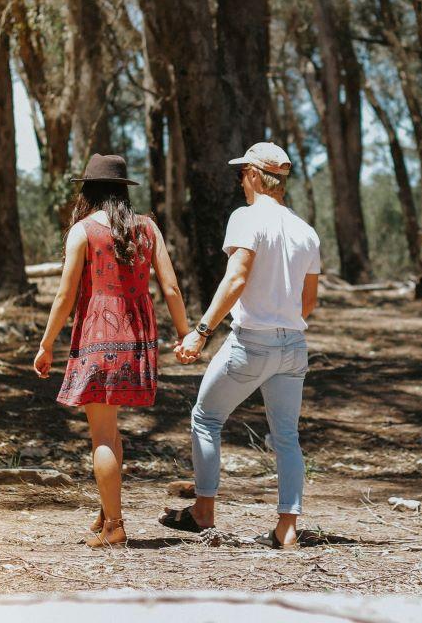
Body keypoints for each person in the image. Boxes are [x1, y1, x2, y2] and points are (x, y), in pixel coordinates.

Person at [159, 142, 321, 549]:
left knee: (206, 417)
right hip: (294, 345)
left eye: (241, 174)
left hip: (251, 343)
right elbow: (310, 301)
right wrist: (283, 317)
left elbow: (235, 279)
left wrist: (201, 330)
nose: (239, 181)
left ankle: (203, 512)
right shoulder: (306, 231)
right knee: (286, 436)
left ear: (252, 175)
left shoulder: (246, 218)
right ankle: (286, 527)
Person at [34, 153, 190, 548]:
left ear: (87, 191)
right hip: (138, 337)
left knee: (101, 434)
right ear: (123, 191)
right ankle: (107, 509)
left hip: (97, 336)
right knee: (113, 427)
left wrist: (46, 343)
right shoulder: (148, 228)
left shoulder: (83, 231)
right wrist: (186, 334)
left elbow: (66, 294)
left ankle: (116, 527)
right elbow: (171, 288)